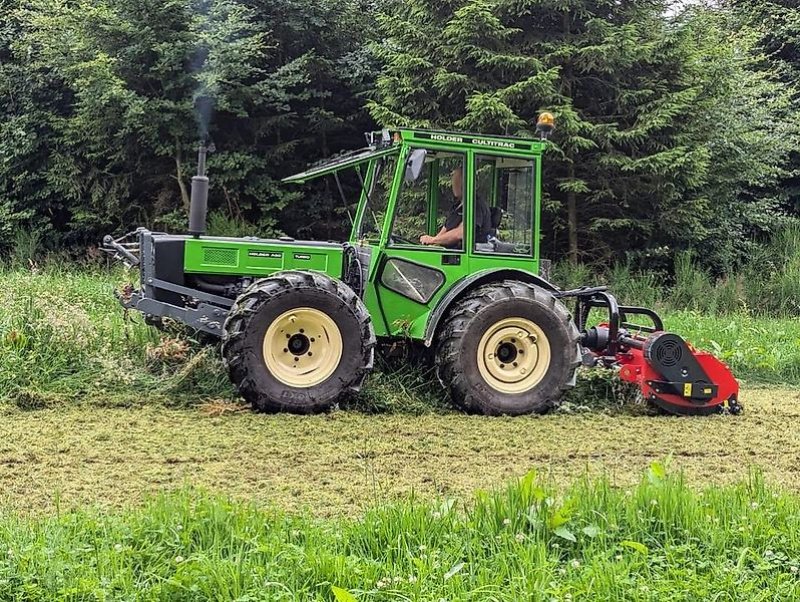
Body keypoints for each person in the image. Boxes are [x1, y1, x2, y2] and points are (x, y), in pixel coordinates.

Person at [419, 168, 490, 249]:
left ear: (467, 182)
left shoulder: (475, 205)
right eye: (453, 181)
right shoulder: (456, 206)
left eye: (457, 181)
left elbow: (460, 233)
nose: (454, 185)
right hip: (450, 254)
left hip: (466, 256)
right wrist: (432, 243)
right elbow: (443, 232)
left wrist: (433, 240)